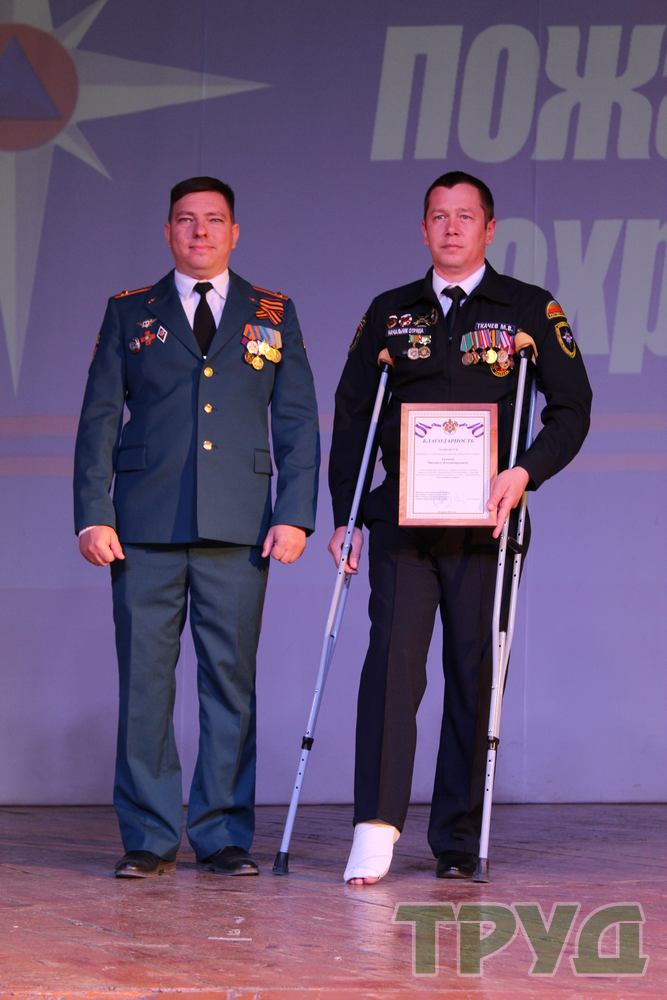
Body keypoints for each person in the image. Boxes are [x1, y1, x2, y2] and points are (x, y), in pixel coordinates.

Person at [328, 171, 592, 884]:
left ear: (488, 229)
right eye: (438, 216)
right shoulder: (389, 311)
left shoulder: (528, 307)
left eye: (465, 216)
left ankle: (456, 836)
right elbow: (352, 415)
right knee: (391, 666)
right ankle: (375, 827)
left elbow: (572, 407)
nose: (451, 227)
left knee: (475, 672)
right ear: (422, 229)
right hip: (403, 523)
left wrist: (525, 472)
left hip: (488, 522)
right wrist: (346, 516)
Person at [74, 176, 319, 878]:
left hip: (239, 527)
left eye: (214, 220)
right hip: (143, 526)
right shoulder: (130, 311)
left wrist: (295, 514)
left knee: (230, 685)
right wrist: (93, 513)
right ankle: (149, 837)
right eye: (186, 220)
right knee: (144, 686)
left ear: (234, 232)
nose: (200, 231)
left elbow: (296, 421)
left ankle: (222, 833)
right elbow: (99, 419)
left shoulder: (273, 311)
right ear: (167, 231)